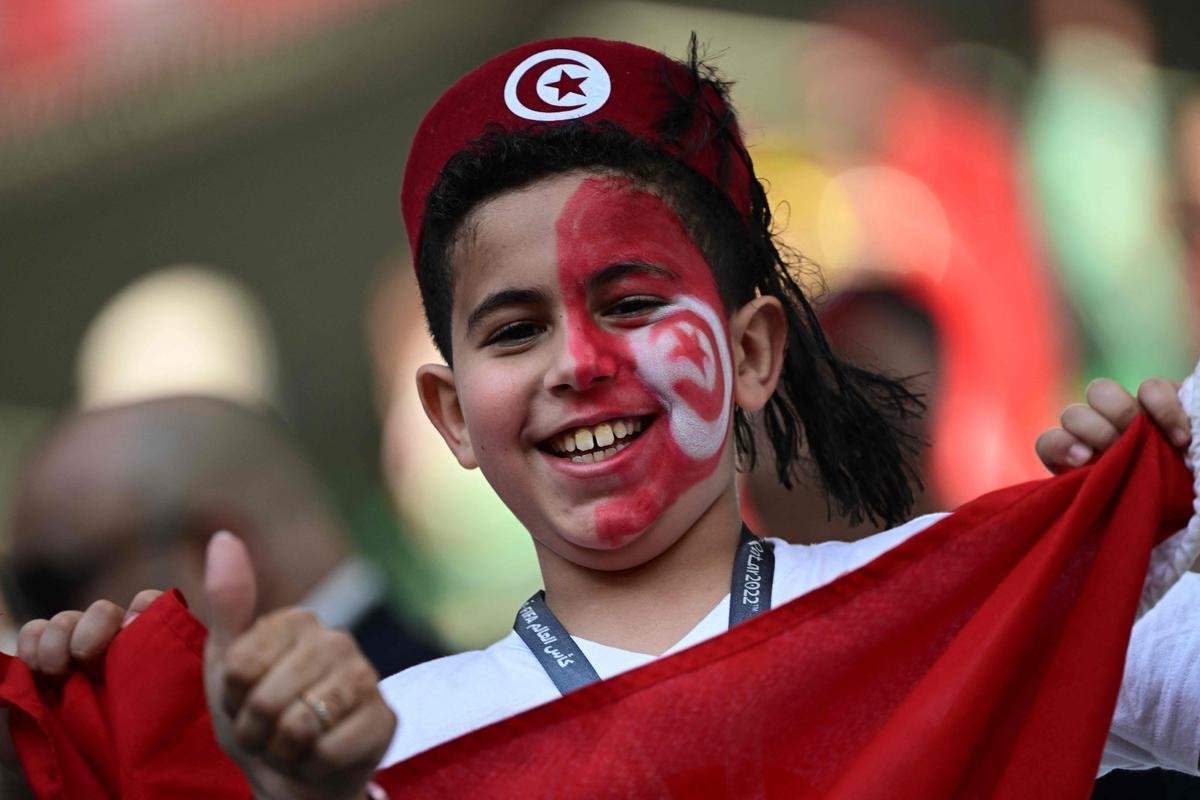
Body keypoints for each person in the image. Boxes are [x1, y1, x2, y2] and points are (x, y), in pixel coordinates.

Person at [5, 36, 1200, 799]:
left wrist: (1152, 541)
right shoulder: (381, 744)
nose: (579, 361)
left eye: (630, 301)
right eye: (516, 328)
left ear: (751, 351)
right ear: (451, 412)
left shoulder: (974, 613)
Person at [4, 396, 443, 679]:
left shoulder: (412, 740)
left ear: (223, 553)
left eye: (45, 587)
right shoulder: (445, 694)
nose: (32, 631)